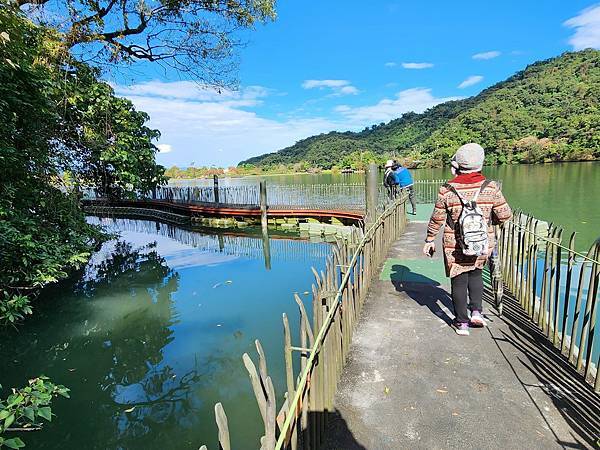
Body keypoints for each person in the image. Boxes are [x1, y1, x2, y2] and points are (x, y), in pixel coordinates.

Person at [422, 143, 512, 336]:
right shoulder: (490, 187)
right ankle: (477, 312)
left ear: (458, 164)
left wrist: (430, 239)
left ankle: (462, 323)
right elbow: (505, 215)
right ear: (480, 163)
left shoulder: (447, 190)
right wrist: (487, 219)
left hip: (454, 245)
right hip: (481, 243)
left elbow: (437, 218)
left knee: (459, 280)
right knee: (476, 274)